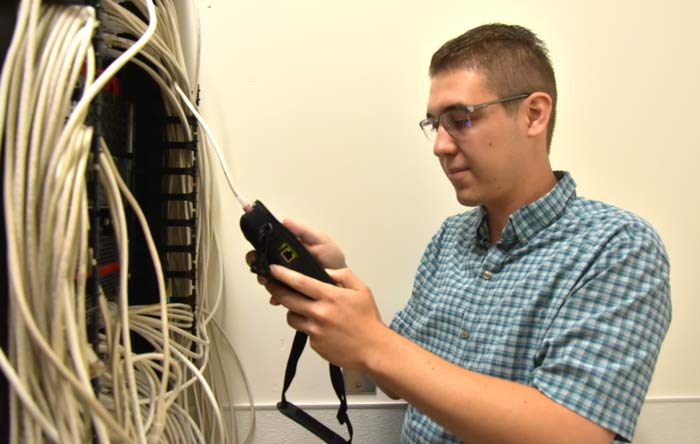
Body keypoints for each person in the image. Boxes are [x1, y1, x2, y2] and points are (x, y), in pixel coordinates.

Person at [246, 23, 671, 443]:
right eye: (435, 124)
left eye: (461, 119)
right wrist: (337, 284)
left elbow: (571, 432)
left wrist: (372, 342)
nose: (440, 146)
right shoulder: (450, 240)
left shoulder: (617, 248)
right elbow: (398, 377)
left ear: (534, 114)